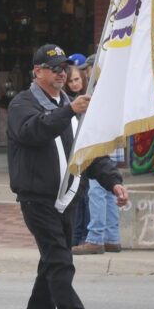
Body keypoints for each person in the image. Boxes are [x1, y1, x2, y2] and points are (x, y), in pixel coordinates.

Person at [7, 43, 129, 309]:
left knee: (52, 265)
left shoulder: (70, 106)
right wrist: (68, 111)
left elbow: (89, 153)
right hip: (38, 199)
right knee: (61, 262)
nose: (62, 73)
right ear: (37, 72)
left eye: (64, 68)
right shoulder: (23, 104)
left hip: (69, 198)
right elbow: (33, 132)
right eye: (54, 68)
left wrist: (113, 181)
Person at [64, 66, 91, 247]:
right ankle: (75, 235)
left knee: (87, 197)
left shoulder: (90, 99)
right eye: (71, 81)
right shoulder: (67, 102)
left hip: (88, 152)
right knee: (77, 197)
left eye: (76, 79)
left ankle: (84, 235)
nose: (74, 84)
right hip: (74, 154)